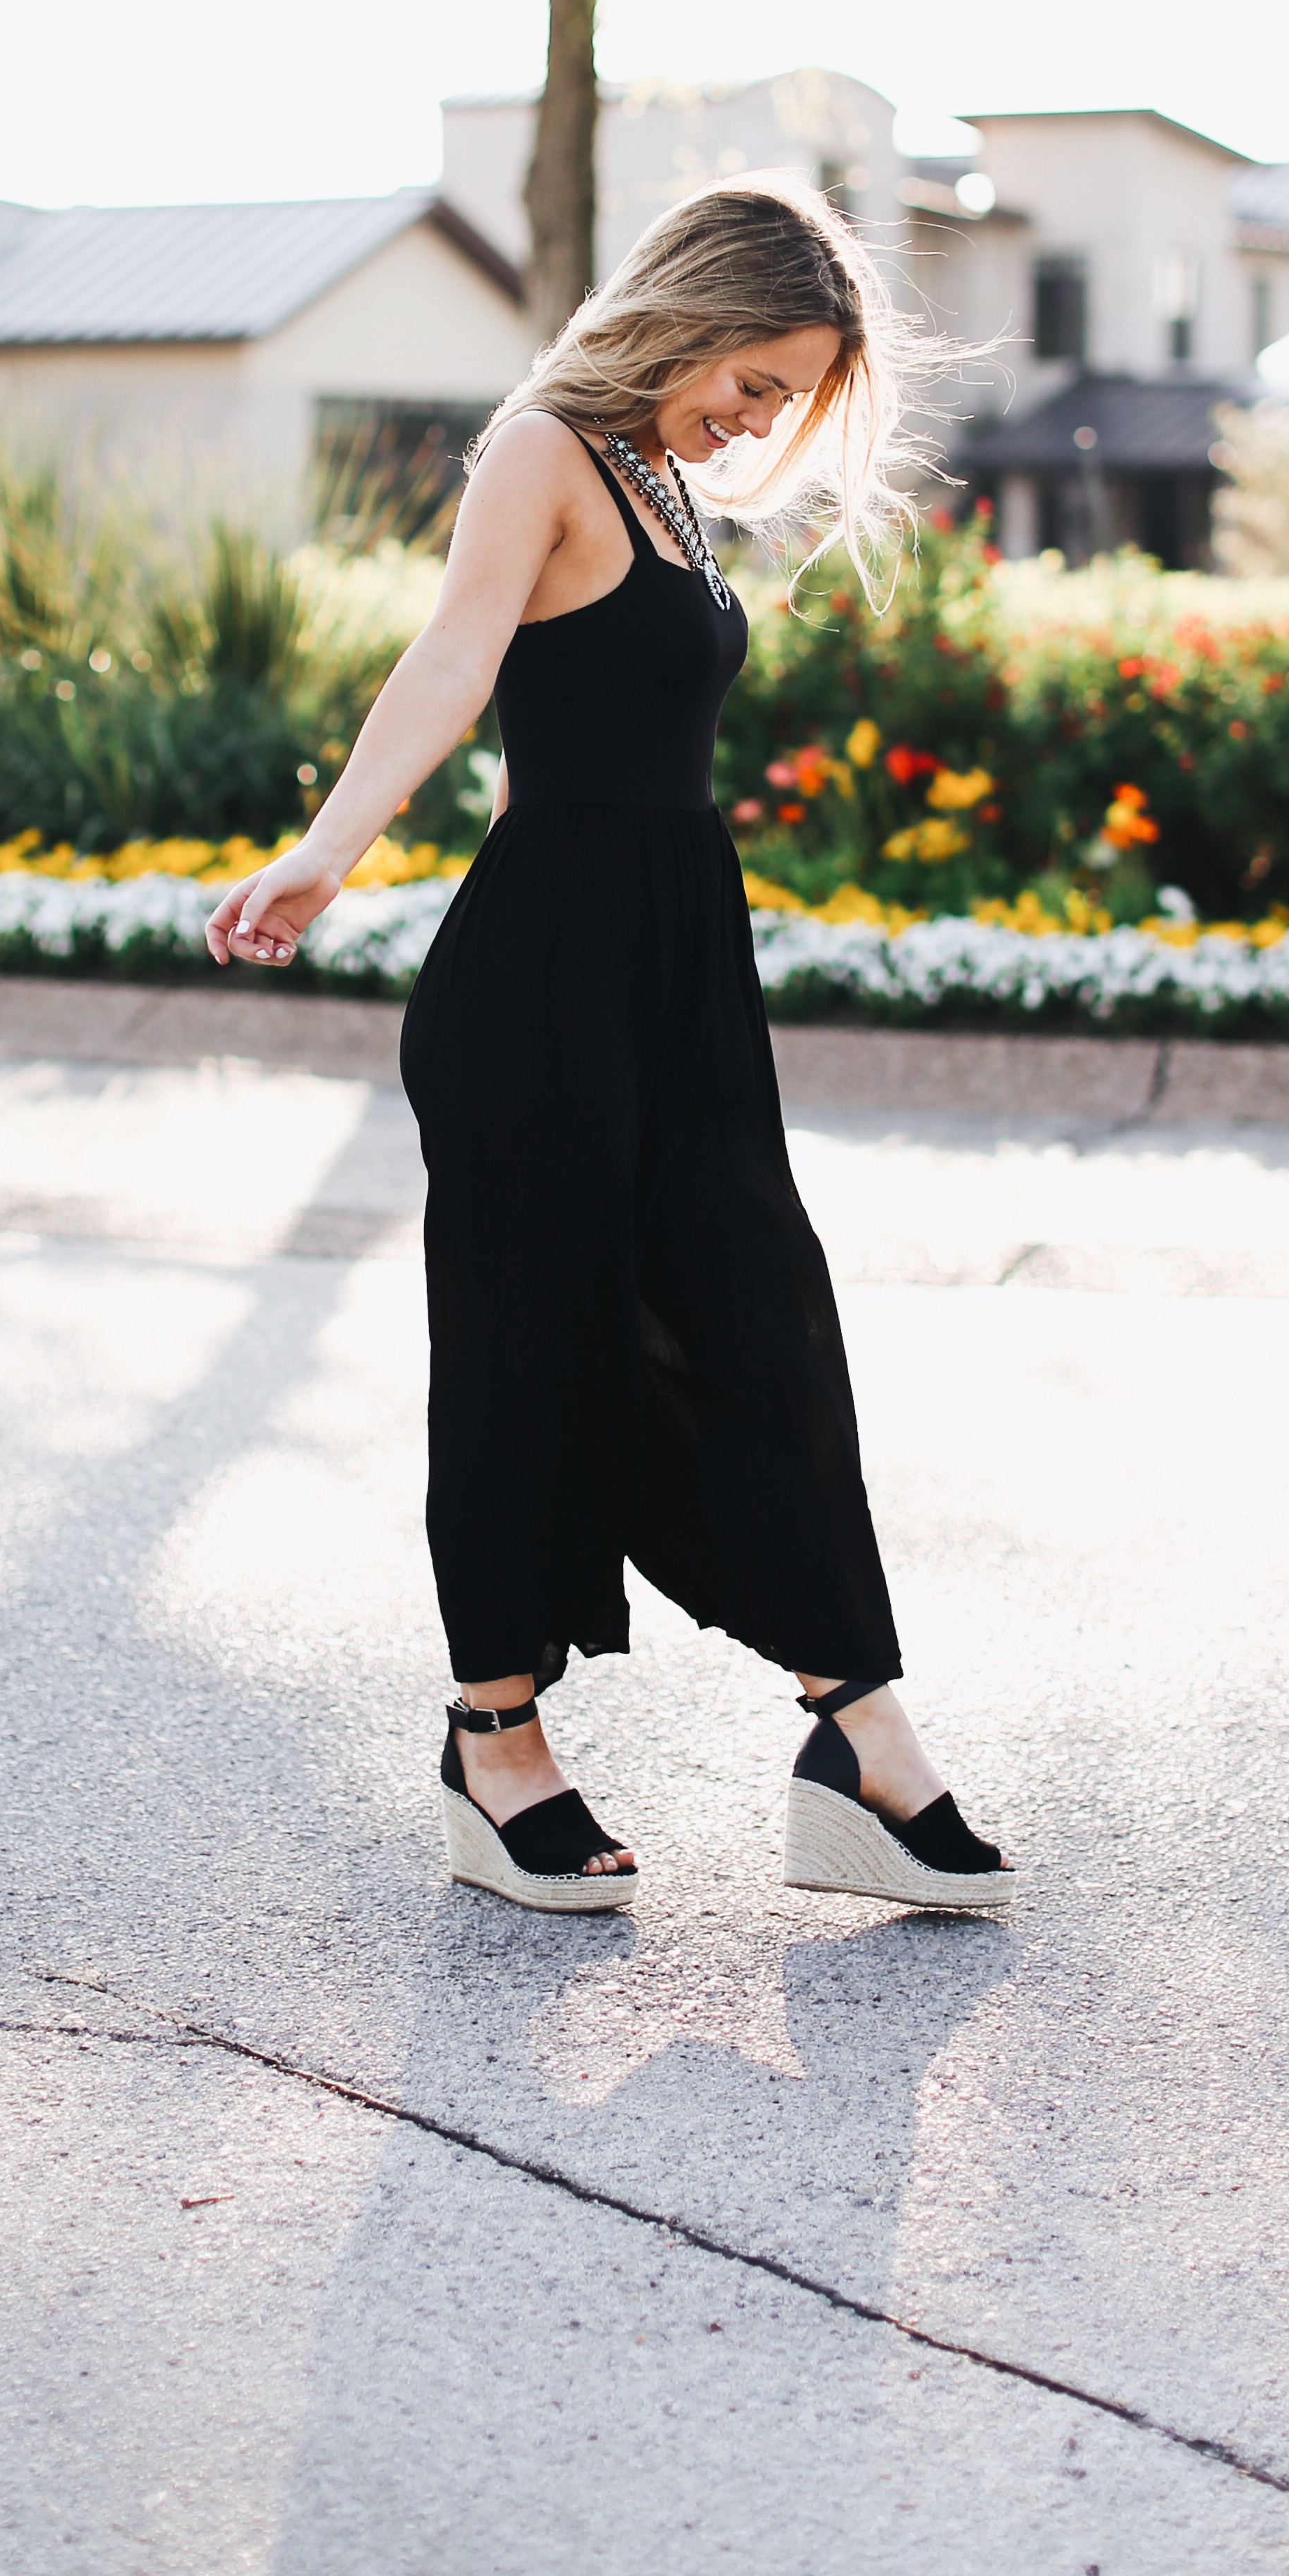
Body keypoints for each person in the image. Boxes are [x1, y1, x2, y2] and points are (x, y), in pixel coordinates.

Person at [206, 177, 1008, 1919]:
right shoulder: (544, 451)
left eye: (790, 400)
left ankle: (854, 1732)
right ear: (691, 310)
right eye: (758, 379)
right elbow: (450, 663)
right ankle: (498, 1745)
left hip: (674, 977)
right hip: (543, 986)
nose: (764, 421)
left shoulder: (661, 483)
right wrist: (326, 855)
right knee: (526, 1349)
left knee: (760, 1320)